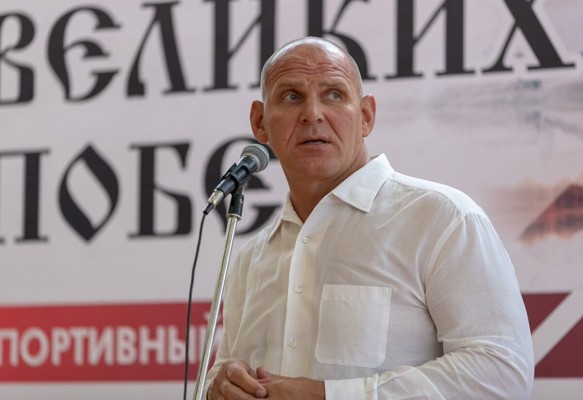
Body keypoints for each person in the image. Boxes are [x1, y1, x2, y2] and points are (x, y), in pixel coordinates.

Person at [204, 36, 534, 399]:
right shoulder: (250, 259)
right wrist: (220, 385)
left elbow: (502, 374)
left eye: (333, 94)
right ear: (260, 122)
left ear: (366, 116)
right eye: (292, 96)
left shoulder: (442, 218)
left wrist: (328, 396)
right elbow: (221, 374)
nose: (312, 113)